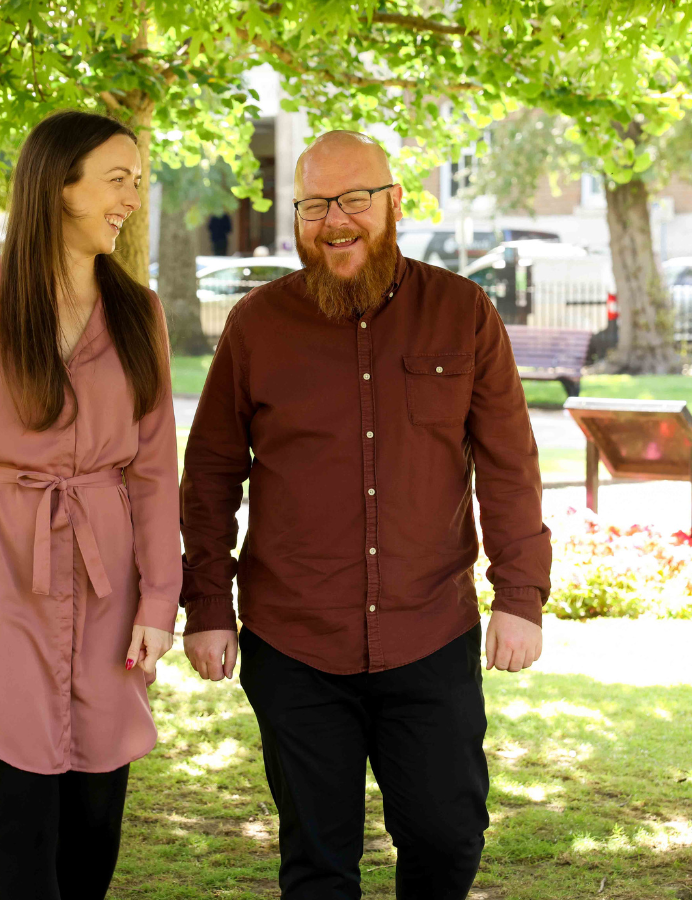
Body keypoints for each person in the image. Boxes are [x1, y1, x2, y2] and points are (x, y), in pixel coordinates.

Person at [179, 130, 553, 900]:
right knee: (317, 865)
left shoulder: (463, 311)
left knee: (448, 837)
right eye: (316, 204)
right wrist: (208, 606)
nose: (336, 220)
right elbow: (211, 476)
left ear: (395, 204)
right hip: (295, 641)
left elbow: (509, 465)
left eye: (355, 199)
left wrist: (520, 597)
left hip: (431, 633)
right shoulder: (256, 325)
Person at [0, 109, 180, 900]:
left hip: (108, 583)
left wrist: (161, 599)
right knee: (22, 843)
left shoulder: (139, 311)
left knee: (95, 834)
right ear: (59, 187)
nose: (131, 198)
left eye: (138, 181)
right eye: (116, 180)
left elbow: (156, 469)